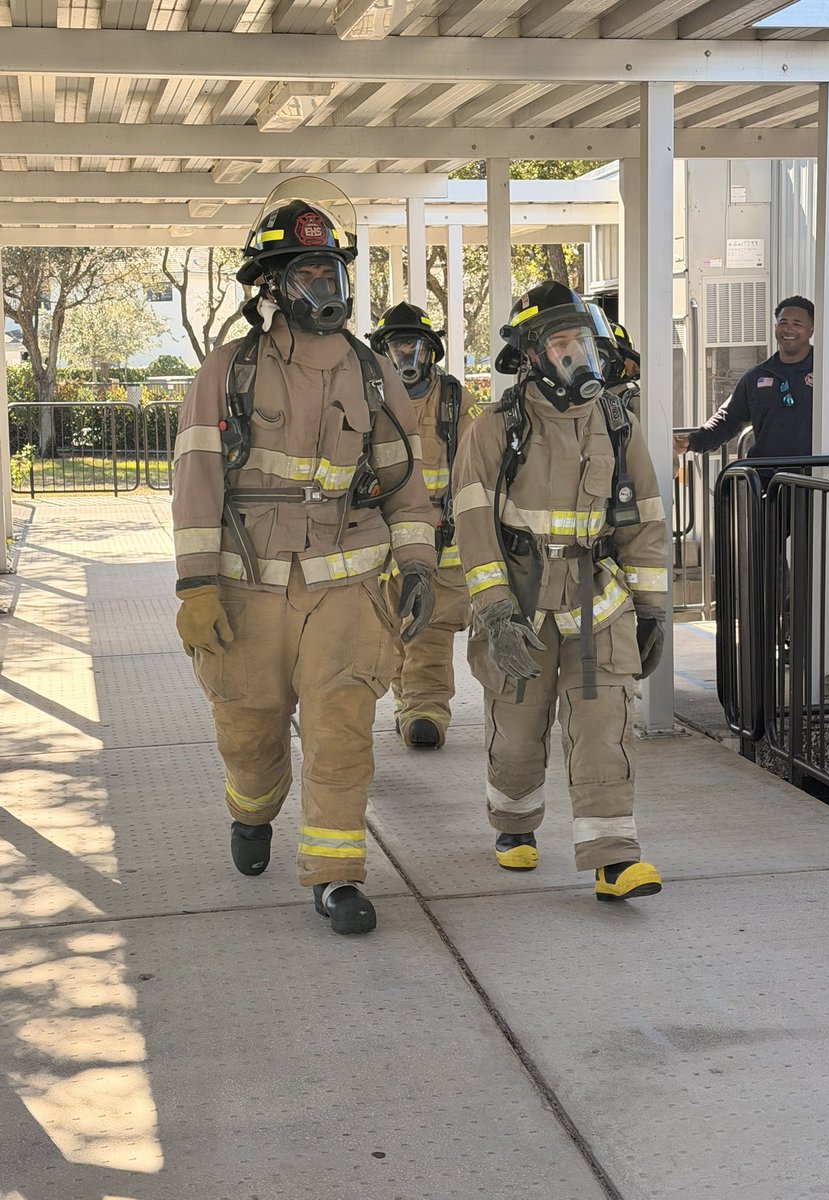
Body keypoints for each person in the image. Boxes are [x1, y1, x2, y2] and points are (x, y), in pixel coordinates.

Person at [171, 178, 437, 936]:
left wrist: (416, 564)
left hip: (349, 587)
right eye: (307, 275)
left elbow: (407, 488)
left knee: (341, 732)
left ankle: (335, 875)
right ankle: (250, 811)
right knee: (249, 736)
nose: (325, 286)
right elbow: (196, 483)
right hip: (248, 587)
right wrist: (197, 587)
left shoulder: (372, 370)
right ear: (271, 288)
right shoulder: (228, 371)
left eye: (333, 273)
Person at [452, 281, 668, 903]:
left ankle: (612, 858)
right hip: (519, 603)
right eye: (563, 344)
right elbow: (472, 525)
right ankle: (514, 824)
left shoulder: (618, 425)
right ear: (532, 356)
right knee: (518, 727)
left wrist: (651, 611)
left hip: (595, 605)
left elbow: (645, 520)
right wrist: (495, 613)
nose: (579, 357)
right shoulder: (495, 429)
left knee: (605, 723)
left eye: (584, 343)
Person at [369, 302, 477, 750]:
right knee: (386, 628)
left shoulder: (456, 404)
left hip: (440, 544)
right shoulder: (368, 399)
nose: (406, 357)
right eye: (397, 347)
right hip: (380, 542)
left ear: (430, 351)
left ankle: (426, 710)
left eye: (413, 346)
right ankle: (404, 700)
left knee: (428, 629)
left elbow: (475, 471)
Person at [673, 295, 829, 483]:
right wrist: (693, 441)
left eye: (797, 324)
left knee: (813, 528)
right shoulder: (756, 377)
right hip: (765, 484)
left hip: (816, 485)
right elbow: (728, 419)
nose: (788, 329)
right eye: (783, 323)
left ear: (811, 329)